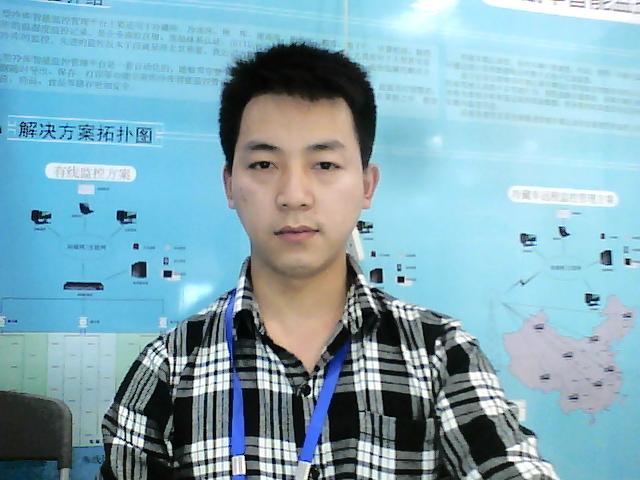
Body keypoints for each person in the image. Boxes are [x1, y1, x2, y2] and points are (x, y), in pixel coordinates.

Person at [99, 42, 558, 479]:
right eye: (263, 164)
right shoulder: (170, 366)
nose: (294, 195)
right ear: (229, 185)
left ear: (367, 185)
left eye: (324, 165)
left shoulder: (439, 353)